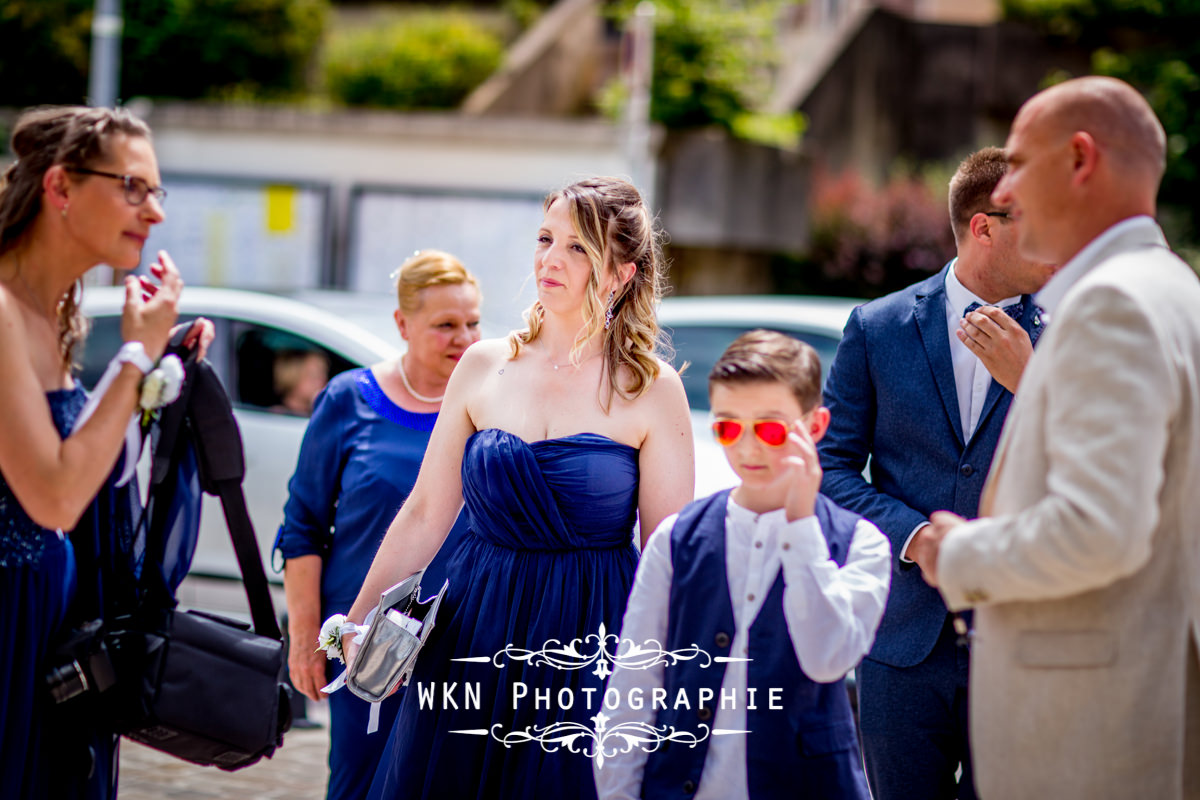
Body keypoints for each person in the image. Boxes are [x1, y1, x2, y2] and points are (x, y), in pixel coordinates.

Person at [344, 177, 694, 800]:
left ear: (620, 272)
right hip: (474, 625)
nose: (550, 260)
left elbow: (669, 553)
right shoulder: (483, 365)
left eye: (578, 247)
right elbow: (426, 511)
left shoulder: (654, 389)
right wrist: (361, 617)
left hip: (591, 641)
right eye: (545, 239)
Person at [921, 76, 1200, 798]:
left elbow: (1099, 530)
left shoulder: (1112, 305)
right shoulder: (1172, 290)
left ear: (1080, 159)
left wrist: (960, 554)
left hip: (1088, 741)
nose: (1004, 190)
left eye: (1017, 161)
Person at [817, 147, 1055, 800]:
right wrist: (914, 537)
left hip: (1020, 641)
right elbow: (828, 468)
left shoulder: (1068, 336)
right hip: (900, 645)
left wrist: (1032, 382)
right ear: (984, 226)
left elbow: (1090, 468)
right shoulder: (877, 327)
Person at [0, 106, 211, 799]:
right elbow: (53, 495)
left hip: (46, 613)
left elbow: (87, 468)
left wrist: (156, 372)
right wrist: (134, 356)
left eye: (157, 192)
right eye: (132, 187)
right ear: (60, 188)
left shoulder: (55, 309)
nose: (153, 213)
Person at [595, 330, 890, 800]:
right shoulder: (676, 538)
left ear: (814, 427)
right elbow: (634, 687)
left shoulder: (863, 544)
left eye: (770, 429)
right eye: (729, 428)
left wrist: (799, 524)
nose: (748, 449)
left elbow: (826, 657)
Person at [275, 250, 483, 800]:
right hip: (365, 642)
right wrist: (307, 638)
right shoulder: (349, 400)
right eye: (445, 325)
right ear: (402, 324)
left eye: (472, 322)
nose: (464, 337)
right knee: (359, 783)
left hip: (462, 640)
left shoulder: (490, 406)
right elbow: (302, 529)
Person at [272, 349, 330, 417]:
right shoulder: (277, 416)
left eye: (324, 374)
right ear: (292, 376)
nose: (323, 380)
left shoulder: (317, 412)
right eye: (313, 375)